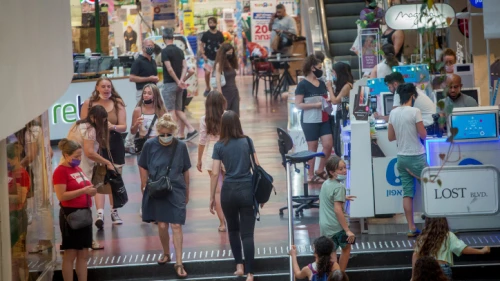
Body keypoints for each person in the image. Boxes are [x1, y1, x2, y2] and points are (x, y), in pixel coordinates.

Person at [209, 111, 260, 281]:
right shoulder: (247, 141)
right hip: (246, 190)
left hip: (228, 191)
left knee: (233, 230)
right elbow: (257, 167)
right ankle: (250, 273)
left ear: (223, 125)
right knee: (247, 234)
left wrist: (211, 197)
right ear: (238, 123)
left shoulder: (219, 146)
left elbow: (215, 173)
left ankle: (239, 266)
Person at [139, 114, 191, 278]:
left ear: (174, 132)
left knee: (176, 225)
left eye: (169, 134)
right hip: (158, 188)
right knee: (162, 225)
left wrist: (187, 191)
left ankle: (179, 262)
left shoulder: (180, 146)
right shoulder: (149, 145)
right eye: (163, 134)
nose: (166, 137)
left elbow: (186, 170)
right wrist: (144, 183)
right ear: (158, 132)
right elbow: (143, 164)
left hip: (176, 188)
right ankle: (166, 252)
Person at [81, 77, 127, 227]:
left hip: (115, 143)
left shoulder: (118, 102)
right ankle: (99, 214)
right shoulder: (89, 103)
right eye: (104, 86)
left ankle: (114, 211)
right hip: (97, 144)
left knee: (114, 177)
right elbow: (84, 125)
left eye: (109, 86)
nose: (107, 89)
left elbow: (123, 126)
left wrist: (112, 127)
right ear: (97, 87)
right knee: (98, 179)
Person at [53, 139, 97, 281]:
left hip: (84, 214)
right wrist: (83, 190)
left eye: (80, 156)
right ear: (66, 155)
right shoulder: (60, 171)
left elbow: (85, 186)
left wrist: (91, 191)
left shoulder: (78, 169)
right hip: (71, 215)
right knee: (70, 254)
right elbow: (61, 195)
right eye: (76, 156)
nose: (79, 159)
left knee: (83, 254)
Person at [387, 83, 428, 237]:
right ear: (412, 95)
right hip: (417, 156)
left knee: (407, 192)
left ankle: (411, 227)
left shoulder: (393, 113)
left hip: (402, 158)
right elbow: (423, 134)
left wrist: (404, 133)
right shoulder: (415, 111)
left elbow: (390, 137)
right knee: (430, 189)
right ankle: (433, 224)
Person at [294, 55, 334, 181]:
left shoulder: (322, 83)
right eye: (319, 67)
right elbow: (298, 104)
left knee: (328, 144)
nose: (320, 69)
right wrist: (315, 105)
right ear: (312, 68)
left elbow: (325, 99)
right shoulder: (303, 85)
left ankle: (320, 169)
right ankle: (310, 174)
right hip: (309, 120)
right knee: (313, 147)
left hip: (324, 118)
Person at [413, 217, 491, 280]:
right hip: (442, 269)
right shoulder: (448, 235)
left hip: (425, 270)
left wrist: (413, 277)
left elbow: (415, 255)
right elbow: (462, 249)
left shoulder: (423, 237)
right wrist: (481, 251)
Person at [130, 83, 167, 217]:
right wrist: (136, 124)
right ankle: (146, 204)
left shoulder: (161, 110)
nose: (146, 95)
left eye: (149, 93)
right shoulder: (138, 110)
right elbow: (132, 131)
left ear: (155, 95)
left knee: (158, 177)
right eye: (144, 93)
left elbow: (168, 130)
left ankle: (158, 204)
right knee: (144, 179)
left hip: (159, 146)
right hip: (143, 146)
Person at [161, 28, 198, 141]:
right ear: (173, 38)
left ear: (164, 39)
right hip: (179, 86)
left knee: (171, 110)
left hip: (169, 84)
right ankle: (191, 129)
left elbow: (169, 69)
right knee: (179, 110)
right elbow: (185, 67)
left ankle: (175, 135)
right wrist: (181, 81)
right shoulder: (180, 51)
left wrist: (177, 81)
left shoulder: (164, 52)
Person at [320, 156, 356, 271]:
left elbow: (327, 197)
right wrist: (347, 230)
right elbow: (337, 210)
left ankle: (332, 277)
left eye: (345, 167)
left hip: (325, 226)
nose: (344, 170)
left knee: (332, 255)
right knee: (346, 249)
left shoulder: (325, 183)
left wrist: (342, 197)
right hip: (337, 227)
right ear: (332, 172)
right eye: (340, 169)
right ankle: (340, 276)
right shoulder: (339, 187)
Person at [197, 91, 227, 232]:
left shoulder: (204, 119)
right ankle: (231, 217)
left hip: (212, 154)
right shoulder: (228, 116)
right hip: (228, 150)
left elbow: (202, 141)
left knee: (218, 190)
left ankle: (222, 222)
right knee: (229, 187)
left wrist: (199, 159)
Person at [126, 39, 160, 153]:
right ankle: (129, 142)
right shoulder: (138, 62)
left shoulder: (152, 61)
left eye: (152, 45)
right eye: (148, 46)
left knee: (155, 113)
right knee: (139, 115)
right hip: (142, 92)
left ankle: (151, 136)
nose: (150, 47)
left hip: (153, 92)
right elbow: (132, 77)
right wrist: (149, 79)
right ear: (143, 47)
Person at [7, 143, 30, 281]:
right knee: (10, 258)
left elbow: (21, 198)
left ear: (16, 158)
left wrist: (4, 197)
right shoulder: (6, 173)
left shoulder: (21, 174)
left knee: (18, 257)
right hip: (7, 216)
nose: (7, 163)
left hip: (18, 217)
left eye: (9, 159)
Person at [330, 62, 354, 157]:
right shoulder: (344, 86)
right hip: (340, 113)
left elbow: (335, 101)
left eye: (334, 72)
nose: (333, 75)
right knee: (337, 139)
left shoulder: (347, 86)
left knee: (340, 140)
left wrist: (329, 89)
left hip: (344, 114)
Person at [200, 17, 224, 96]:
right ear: (208, 24)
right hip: (208, 58)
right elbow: (201, 45)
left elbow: (222, 45)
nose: (212, 24)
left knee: (217, 73)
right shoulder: (206, 34)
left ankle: (217, 89)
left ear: (216, 23)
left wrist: (222, 54)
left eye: (213, 23)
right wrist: (203, 54)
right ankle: (207, 87)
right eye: (210, 23)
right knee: (207, 73)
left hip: (218, 58)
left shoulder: (220, 34)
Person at [214, 43, 240, 116]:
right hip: (225, 92)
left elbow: (233, 79)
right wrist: (220, 94)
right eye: (229, 53)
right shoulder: (219, 64)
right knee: (224, 114)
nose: (230, 55)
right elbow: (218, 80)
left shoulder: (231, 63)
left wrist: (238, 93)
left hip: (234, 91)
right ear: (223, 53)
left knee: (235, 114)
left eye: (231, 53)